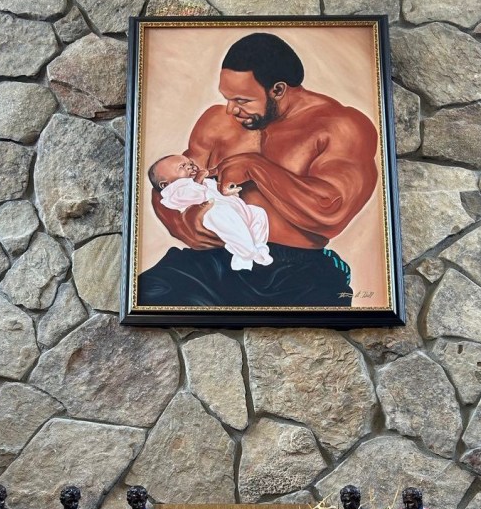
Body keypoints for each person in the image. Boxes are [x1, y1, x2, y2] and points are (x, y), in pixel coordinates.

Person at [139, 32, 378, 307]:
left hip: (296, 272)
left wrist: (255, 167)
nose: (231, 110)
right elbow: (166, 182)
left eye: (242, 100)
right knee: (148, 295)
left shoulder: (340, 126)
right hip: (217, 262)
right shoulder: (217, 122)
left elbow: (331, 209)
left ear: (277, 90)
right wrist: (181, 224)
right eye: (227, 98)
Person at [148, 153, 272, 271]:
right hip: (214, 214)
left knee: (258, 213)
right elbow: (194, 196)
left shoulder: (204, 181)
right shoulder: (175, 192)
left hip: (235, 210)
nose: (190, 167)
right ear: (165, 184)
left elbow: (216, 191)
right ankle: (249, 252)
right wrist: (199, 180)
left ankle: (256, 246)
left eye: (190, 163)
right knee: (231, 226)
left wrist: (227, 193)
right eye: (182, 167)